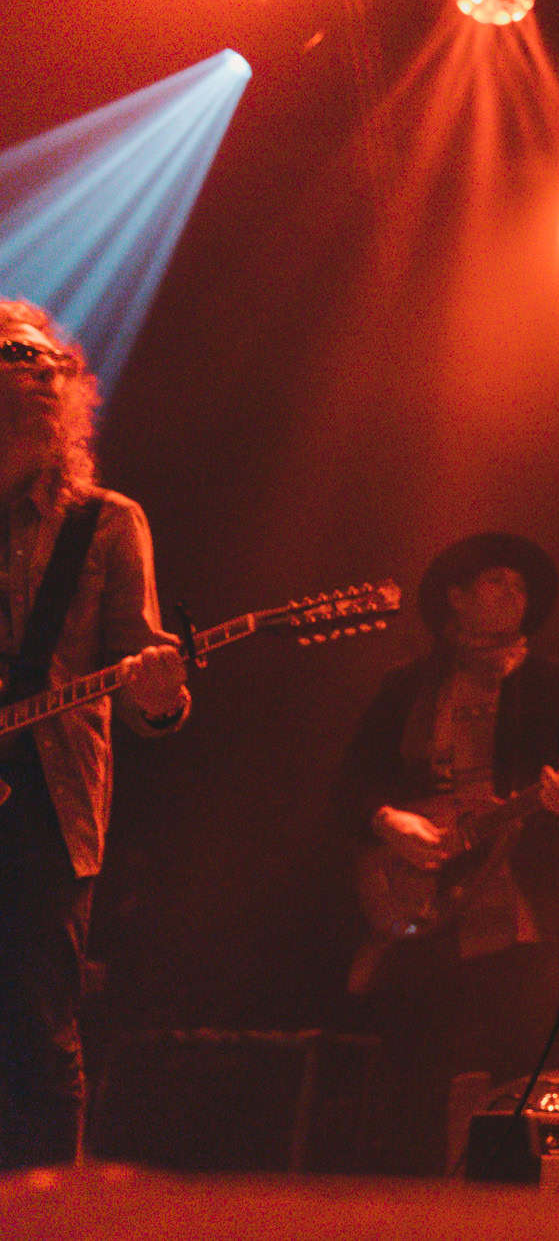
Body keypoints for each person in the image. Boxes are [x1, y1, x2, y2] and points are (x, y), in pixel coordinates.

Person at [0, 300, 188, 1168]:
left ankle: (47, 1211)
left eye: (52, 361)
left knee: (37, 1027)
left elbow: (146, 689)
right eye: (15, 353)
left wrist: (161, 695)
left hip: (45, 804)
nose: (40, 369)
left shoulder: (107, 522)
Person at [337, 532, 559, 1175]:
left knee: (520, 1085)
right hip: (423, 911)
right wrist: (389, 821)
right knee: (417, 1083)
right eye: (498, 581)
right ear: (457, 597)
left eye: (522, 585)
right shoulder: (407, 686)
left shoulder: (554, 687)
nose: (515, 593)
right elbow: (349, 785)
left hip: (520, 913)